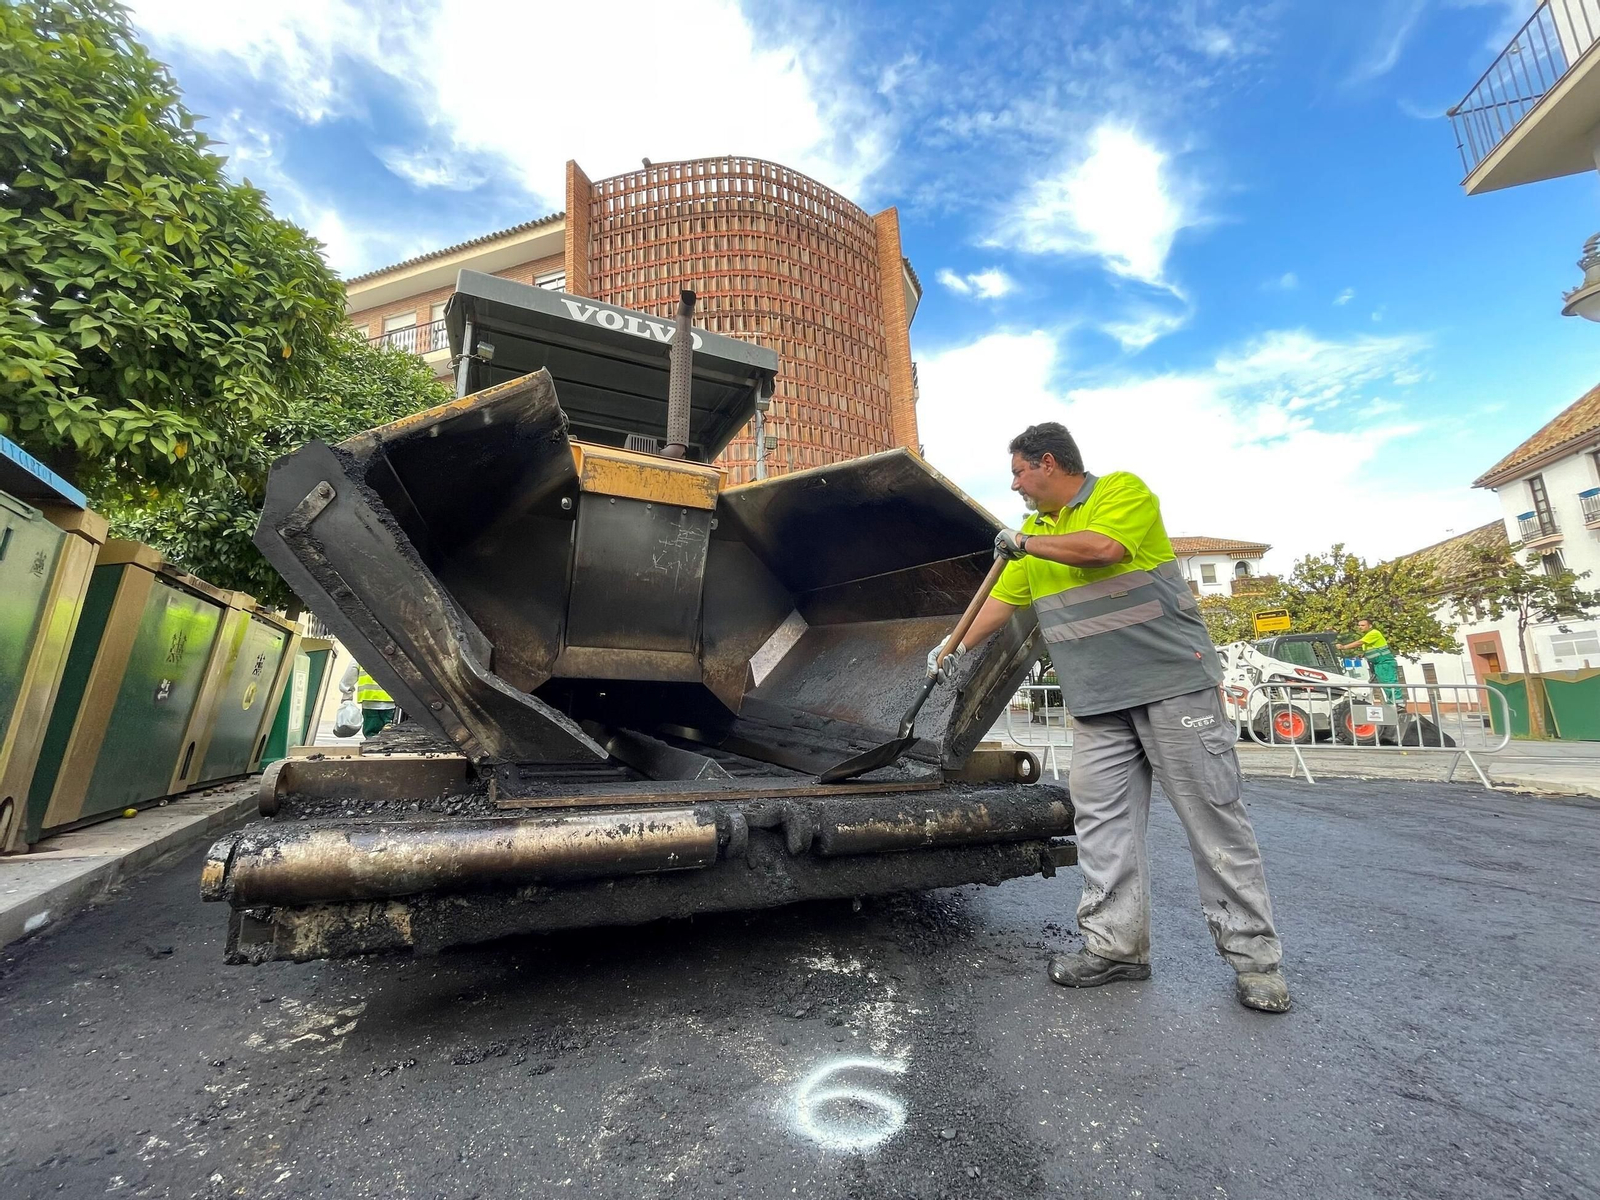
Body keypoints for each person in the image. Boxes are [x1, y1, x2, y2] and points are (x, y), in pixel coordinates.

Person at [926, 422, 1290, 1013]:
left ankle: (1256, 962)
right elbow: (1000, 602)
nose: (1014, 484)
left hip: (1172, 688)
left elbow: (1104, 550)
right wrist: (950, 646)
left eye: (1019, 472)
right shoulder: (1035, 537)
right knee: (1101, 823)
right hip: (1097, 704)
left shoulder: (1118, 494)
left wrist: (1024, 543)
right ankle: (1116, 949)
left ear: (1049, 463)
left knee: (1213, 820)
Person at [1338, 619, 1402, 705]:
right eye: (1359, 625)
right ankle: (1392, 704)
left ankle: (1398, 704)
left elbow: (1359, 642)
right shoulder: (1368, 636)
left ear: (1370, 626)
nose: (1360, 627)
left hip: (1385, 663)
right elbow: (1374, 650)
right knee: (1385, 685)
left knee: (1390, 683)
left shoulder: (1374, 633)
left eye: (1363, 625)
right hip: (1378, 664)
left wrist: (1344, 647)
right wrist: (1363, 654)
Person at [338, 660, 398, 739]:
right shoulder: (395, 651)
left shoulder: (361, 652)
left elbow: (351, 671)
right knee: (390, 732)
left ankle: (371, 747)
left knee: (370, 733)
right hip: (391, 700)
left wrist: (347, 694)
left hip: (369, 700)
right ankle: (387, 747)